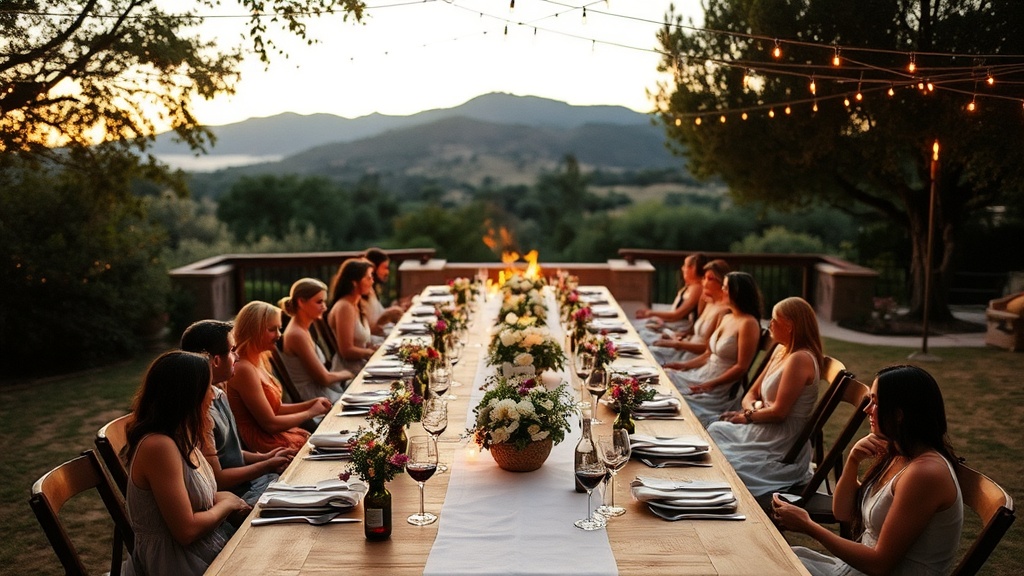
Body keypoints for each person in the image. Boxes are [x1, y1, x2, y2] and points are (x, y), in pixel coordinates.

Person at [773, 365, 963, 576]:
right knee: (774, 557)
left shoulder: (925, 473)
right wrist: (853, 460)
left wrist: (808, 526)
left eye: (875, 402)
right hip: (855, 569)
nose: (867, 409)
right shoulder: (899, 453)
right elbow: (842, 512)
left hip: (870, 570)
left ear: (899, 415)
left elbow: (879, 564)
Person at [122, 351, 251, 576]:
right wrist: (228, 504)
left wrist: (228, 500)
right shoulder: (159, 446)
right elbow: (186, 530)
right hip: (177, 562)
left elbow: (192, 498)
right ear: (188, 395)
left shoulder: (182, 435)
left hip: (205, 546)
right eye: (207, 387)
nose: (213, 395)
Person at [707, 297, 823, 496]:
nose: (769, 324)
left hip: (782, 441)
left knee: (724, 458)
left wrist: (748, 416)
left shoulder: (800, 359)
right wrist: (752, 408)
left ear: (790, 326)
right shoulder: (781, 350)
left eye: (775, 320)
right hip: (764, 425)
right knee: (715, 430)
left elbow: (779, 413)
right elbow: (751, 392)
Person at [180, 320, 295, 507]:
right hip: (236, 496)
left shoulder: (218, 393)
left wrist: (266, 457)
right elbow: (219, 480)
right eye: (233, 350)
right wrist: (265, 465)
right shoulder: (200, 411)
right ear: (216, 361)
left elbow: (228, 452)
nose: (238, 357)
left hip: (251, 483)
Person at [225, 301, 333, 452]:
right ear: (254, 330)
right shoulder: (243, 368)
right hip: (264, 445)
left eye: (279, 328)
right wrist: (310, 412)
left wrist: (310, 404)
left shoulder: (258, 359)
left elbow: (275, 408)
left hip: (275, 435)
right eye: (272, 329)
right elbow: (270, 424)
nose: (278, 335)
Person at [665, 271, 762, 427]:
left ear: (737, 292)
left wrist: (710, 384)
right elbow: (708, 354)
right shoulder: (726, 317)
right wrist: (682, 365)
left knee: (674, 397)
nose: (722, 290)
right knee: (667, 376)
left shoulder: (748, 323)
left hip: (720, 388)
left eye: (725, 288)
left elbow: (741, 367)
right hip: (703, 374)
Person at [278, 278, 355, 403]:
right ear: (301, 302)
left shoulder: (304, 328)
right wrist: (350, 373)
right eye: (319, 302)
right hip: (313, 399)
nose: (324, 307)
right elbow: (324, 378)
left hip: (322, 392)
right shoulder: (296, 334)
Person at [649, 259, 732, 365]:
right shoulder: (708, 302)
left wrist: (677, 344)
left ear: (721, 282)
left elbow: (707, 348)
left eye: (710, 279)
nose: (704, 282)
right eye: (704, 278)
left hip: (694, 357)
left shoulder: (724, 311)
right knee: (649, 347)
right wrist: (678, 336)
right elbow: (694, 331)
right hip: (686, 348)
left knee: (651, 354)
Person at [634, 253, 707, 341]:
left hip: (680, 326)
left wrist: (651, 313)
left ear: (692, 268)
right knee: (639, 325)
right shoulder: (689, 286)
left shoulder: (697, 288)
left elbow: (677, 314)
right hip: (675, 324)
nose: (682, 268)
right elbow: (674, 313)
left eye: (685, 266)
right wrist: (653, 316)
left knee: (640, 331)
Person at [327, 258, 379, 374]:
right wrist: (370, 353)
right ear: (354, 282)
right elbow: (346, 351)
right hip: (350, 372)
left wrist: (374, 348)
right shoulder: (344, 307)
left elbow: (362, 341)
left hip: (363, 365)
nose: (372, 281)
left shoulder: (356, 304)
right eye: (368, 277)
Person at [363, 247, 406, 338]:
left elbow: (378, 315)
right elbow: (368, 329)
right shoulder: (362, 294)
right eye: (385, 267)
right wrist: (387, 316)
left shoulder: (371, 290)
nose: (387, 272)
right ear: (374, 268)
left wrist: (396, 309)